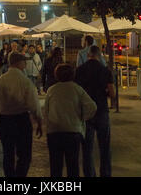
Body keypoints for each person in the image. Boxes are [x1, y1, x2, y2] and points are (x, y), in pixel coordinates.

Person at [0, 52, 42, 177]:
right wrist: (39, 121)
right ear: (19, 63)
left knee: (8, 154)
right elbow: (34, 104)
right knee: (24, 155)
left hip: (5, 120)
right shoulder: (25, 81)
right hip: (21, 119)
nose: (25, 64)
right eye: (24, 61)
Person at [45, 63, 97, 177]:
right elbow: (92, 107)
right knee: (73, 166)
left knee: (55, 166)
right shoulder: (77, 89)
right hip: (73, 131)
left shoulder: (51, 90)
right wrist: (82, 117)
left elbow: (46, 111)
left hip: (54, 131)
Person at [75, 45, 115, 177]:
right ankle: (105, 173)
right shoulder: (105, 70)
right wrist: (105, 92)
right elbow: (112, 93)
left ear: (88, 55)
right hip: (102, 110)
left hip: (86, 113)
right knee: (105, 147)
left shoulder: (80, 70)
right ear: (99, 55)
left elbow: (76, 91)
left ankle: (89, 174)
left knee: (87, 148)